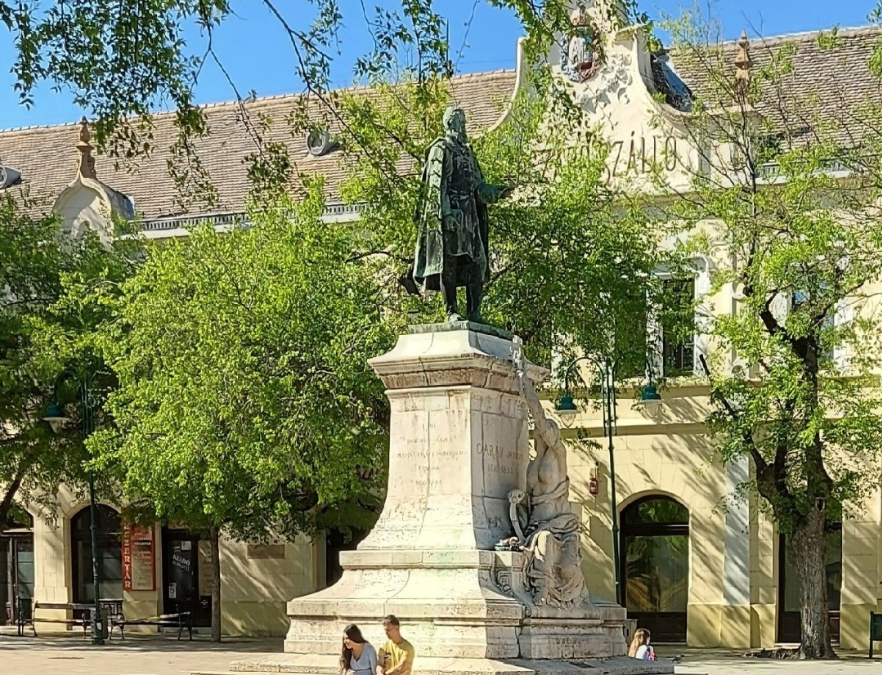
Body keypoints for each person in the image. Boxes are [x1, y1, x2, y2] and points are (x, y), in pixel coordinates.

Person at [409, 104, 512, 324]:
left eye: (464, 122)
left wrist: (496, 192)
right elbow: (436, 186)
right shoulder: (441, 149)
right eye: (460, 122)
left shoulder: (467, 152)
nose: (464, 126)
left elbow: (478, 186)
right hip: (452, 216)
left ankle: (474, 312)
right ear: (450, 124)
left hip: (470, 217)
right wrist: (445, 214)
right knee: (449, 264)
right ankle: (451, 311)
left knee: (478, 262)